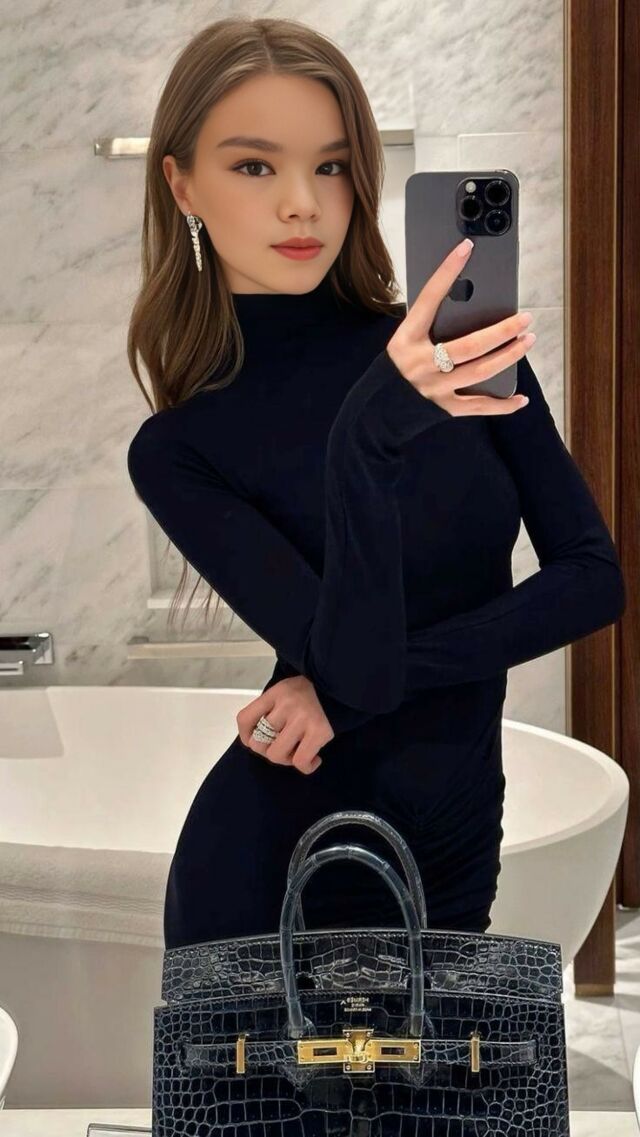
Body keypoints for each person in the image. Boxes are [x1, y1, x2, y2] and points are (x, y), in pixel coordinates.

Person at [126, 17, 626, 950]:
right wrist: (367, 435)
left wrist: (347, 691)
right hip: (275, 861)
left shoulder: (457, 353)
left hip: (457, 835)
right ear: (182, 184)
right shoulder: (179, 448)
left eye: (331, 165)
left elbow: (593, 580)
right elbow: (357, 661)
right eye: (254, 165)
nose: (302, 205)